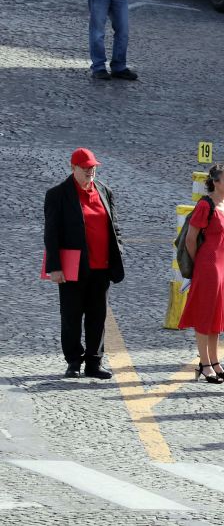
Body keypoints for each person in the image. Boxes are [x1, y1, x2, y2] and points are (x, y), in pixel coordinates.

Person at [44, 148, 126, 379]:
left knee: (97, 317)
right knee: (71, 316)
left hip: (102, 267)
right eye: (85, 168)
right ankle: (73, 361)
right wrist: (54, 267)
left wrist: (119, 250)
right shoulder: (58, 194)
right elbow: (51, 233)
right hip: (73, 266)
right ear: (73, 168)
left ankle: (94, 362)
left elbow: (114, 227)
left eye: (93, 167)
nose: (90, 171)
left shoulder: (104, 191)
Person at [179, 164, 224, 383]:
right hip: (209, 267)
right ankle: (204, 364)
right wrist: (200, 265)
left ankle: (214, 361)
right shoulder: (205, 205)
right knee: (205, 316)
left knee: (217, 316)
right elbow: (190, 239)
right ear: (215, 182)